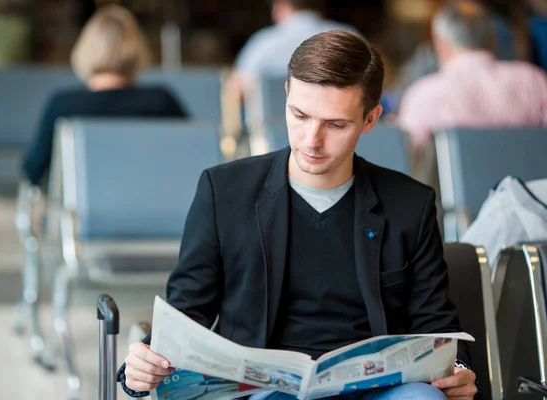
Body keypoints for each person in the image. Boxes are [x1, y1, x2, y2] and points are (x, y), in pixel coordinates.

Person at [118, 30, 478, 400]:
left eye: (335, 124)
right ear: (287, 93)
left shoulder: (409, 204)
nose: (311, 140)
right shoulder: (223, 191)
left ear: (370, 119)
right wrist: (144, 363)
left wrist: (460, 373)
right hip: (263, 389)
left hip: (377, 388)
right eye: (300, 115)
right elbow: (187, 314)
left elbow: (436, 324)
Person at [21, 5, 186, 186]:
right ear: (138, 50)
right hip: (155, 209)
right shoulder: (161, 102)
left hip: (80, 212)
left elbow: (32, 171)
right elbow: (192, 156)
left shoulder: (63, 106)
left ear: (84, 50)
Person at [398, 0, 547, 153]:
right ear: (493, 40)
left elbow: (406, 157)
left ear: (440, 44)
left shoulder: (424, 96)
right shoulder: (534, 81)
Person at [228, 0, 359, 101]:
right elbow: (373, 86)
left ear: (281, 5)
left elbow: (235, 90)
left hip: (274, 130)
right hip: (340, 127)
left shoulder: (264, 43)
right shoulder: (349, 36)